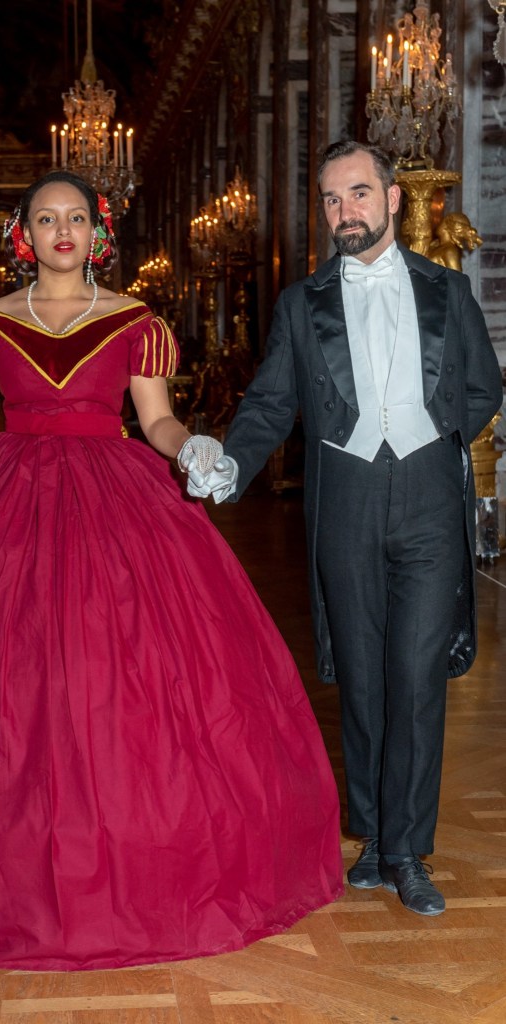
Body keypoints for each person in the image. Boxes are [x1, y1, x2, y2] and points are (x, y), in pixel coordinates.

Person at [0, 170, 343, 972]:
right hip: (9, 510)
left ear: (96, 233)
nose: (60, 230)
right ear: (22, 237)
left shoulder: (134, 321)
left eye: (75, 218)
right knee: (11, 681)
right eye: (44, 219)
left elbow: (157, 418)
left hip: (117, 497)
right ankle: (13, 859)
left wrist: (193, 447)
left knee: (119, 669)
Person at [182, 141, 503, 917]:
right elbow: (267, 404)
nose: (345, 212)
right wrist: (230, 463)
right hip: (347, 501)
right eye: (331, 200)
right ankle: (371, 833)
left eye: (358, 194)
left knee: (416, 677)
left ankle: (409, 850)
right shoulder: (303, 303)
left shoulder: (447, 290)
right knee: (361, 675)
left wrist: (431, 438)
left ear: (392, 199)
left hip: (428, 499)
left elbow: (483, 386)